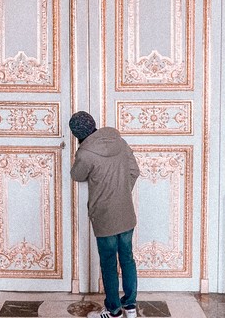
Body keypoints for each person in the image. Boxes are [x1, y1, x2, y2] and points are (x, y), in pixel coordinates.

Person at [69, 111, 140, 318]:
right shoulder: (119, 141)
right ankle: (130, 305)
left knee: (109, 262)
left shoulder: (85, 153)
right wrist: (122, 192)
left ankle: (114, 310)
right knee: (127, 259)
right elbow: (134, 171)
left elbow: (77, 175)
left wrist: (78, 151)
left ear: (77, 134)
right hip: (126, 212)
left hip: (104, 216)